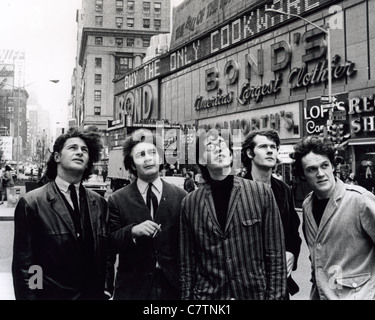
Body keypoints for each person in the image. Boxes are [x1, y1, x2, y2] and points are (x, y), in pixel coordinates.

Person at [180, 128, 287, 300]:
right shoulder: (190, 203)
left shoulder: (260, 193)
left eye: (222, 144)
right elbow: (188, 262)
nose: (218, 148)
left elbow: (276, 256)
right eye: (210, 146)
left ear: (231, 155)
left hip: (253, 294)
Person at [12, 127, 114, 300]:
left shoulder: (99, 203)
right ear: (57, 157)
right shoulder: (32, 203)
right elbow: (27, 265)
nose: (80, 153)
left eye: (84, 150)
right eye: (72, 148)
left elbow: (107, 252)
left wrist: (105, 288)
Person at [290, 136, 375, 300]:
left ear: (333, 166)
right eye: (312, 169)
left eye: (324, 166)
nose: (320, 174)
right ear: (302, 175)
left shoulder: (359, 199)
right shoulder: (307, 205)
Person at [108, 129, 187, 300]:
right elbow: (109, 243)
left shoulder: (181, 196)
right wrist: (132, 231)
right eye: (141, 155)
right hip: (132, 289)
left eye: (153, 152)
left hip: (172, 288)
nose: (148, 158)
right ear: (132, 164)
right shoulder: (117, 199)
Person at [241, 129, 302, 297]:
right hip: (246, 282)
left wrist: (291, 253)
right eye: (263, 146)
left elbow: (293, 232)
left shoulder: (283, 189)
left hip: (278, 282)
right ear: (249, 153)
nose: (270, 150)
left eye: (273, 147)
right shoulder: (236, 189)